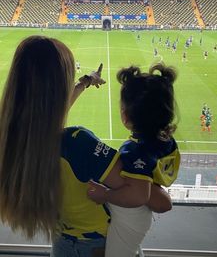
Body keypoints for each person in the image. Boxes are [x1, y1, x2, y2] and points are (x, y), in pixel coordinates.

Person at [0, 36, 171, 257]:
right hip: (98, 246)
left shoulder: (13, 137)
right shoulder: (78, 144)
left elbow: (43, 114)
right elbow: (156, 201)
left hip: (62, 242)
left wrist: (85, 82)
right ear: (59, 88)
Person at [88, 64, 180, 257]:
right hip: (140, 216)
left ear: (126, 116)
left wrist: (104, 194)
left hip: (131, 217)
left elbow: (138, 195)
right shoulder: (165, 139)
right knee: (131, 250)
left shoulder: (133, 150)